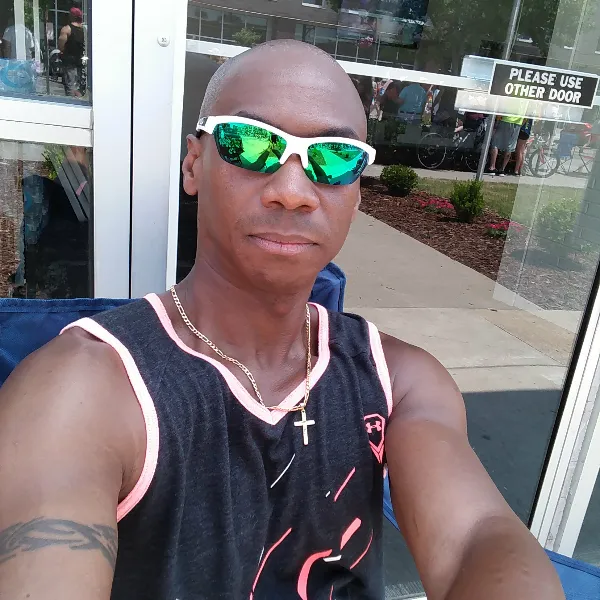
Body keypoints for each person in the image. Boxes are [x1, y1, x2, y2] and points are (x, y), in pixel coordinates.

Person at [0, 40, 564, 600]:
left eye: (335, 157)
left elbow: (476, 539)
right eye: (251, 143)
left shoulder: (401, 381)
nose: (293, 192)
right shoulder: (82, 389)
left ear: (357, 191)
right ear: (194, 164)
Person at [58, 7, 85, 97]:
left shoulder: (66, 29)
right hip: (82, 62)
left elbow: (61, 46)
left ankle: (72, 102)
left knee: (70, 85)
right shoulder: (85, 29)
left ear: (71, 16)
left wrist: (62, 52)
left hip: (70, 62)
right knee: (81, 86)